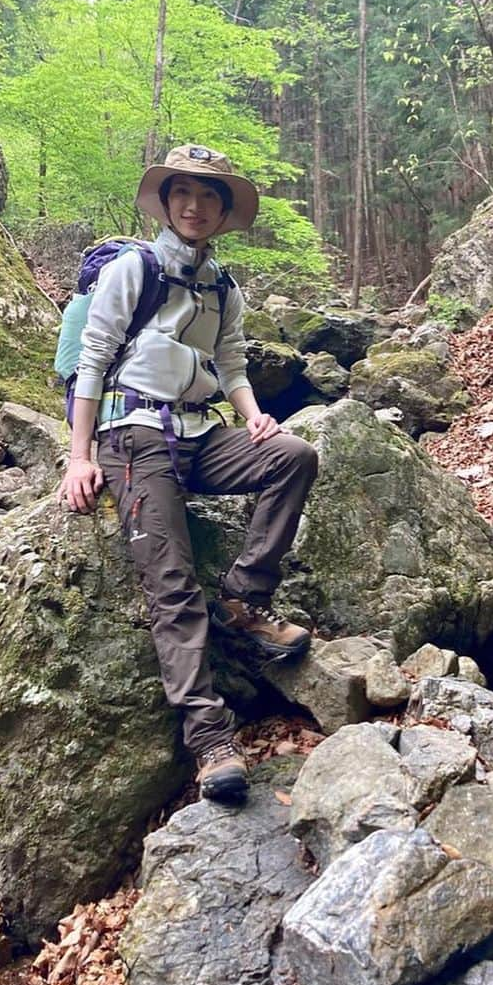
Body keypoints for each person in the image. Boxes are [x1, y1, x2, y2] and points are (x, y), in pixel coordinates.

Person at [58, 143, 318, 804]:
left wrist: (257, 417)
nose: (194, 206)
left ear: (223, 210)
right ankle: (210, 740)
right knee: (169, 580)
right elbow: (93, 358)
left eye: (209, 196)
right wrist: (79, 454)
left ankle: (243, 598)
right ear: (167, 202)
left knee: (294, 455)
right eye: (183, 194)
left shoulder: (224, 286)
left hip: (199, 431)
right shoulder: (133, 269)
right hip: (132, 433)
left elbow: (231, 365)